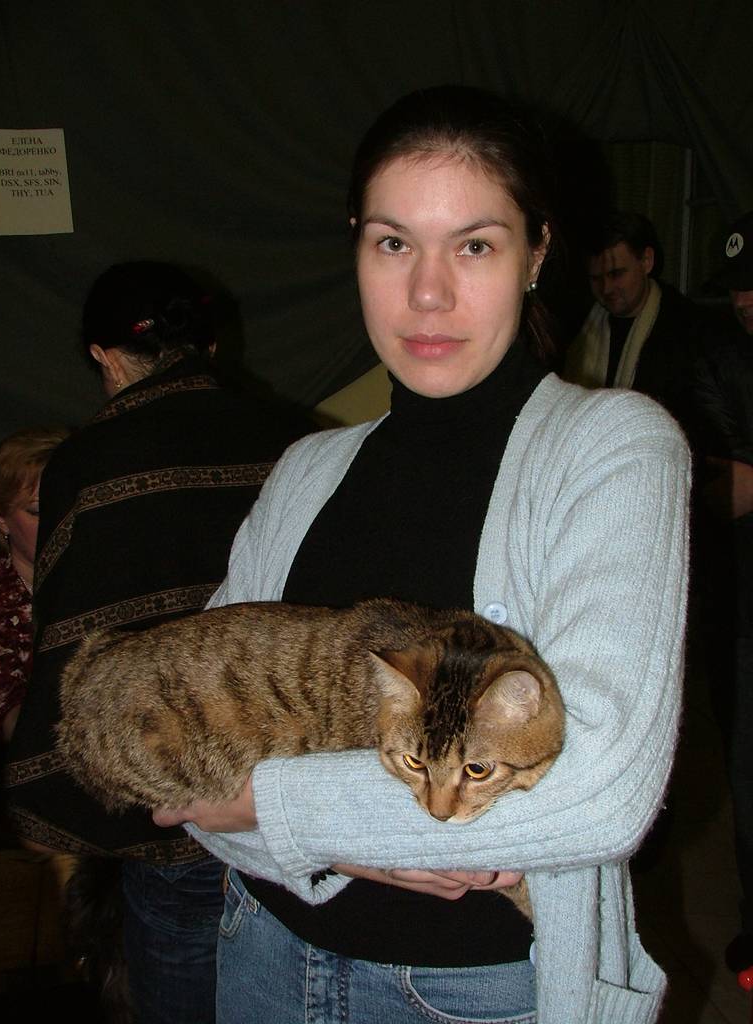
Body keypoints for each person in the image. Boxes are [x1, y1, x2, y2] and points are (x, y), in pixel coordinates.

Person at [153, 88, 690, 1024]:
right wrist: (304, 828)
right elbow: (189, 767)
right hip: (259, 944)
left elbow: (603, 789)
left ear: (537, 254)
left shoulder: (614, 447)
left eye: (474, 246)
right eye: (393, 243)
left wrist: (272, 807)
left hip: (471, 992)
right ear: (356, 249)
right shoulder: (306, 469)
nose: (427, 293)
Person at [3, 261, 311, 1024]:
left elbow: (74, 638)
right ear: (211, 346)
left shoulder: (88, 460)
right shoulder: (298, 439)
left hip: (177, 807)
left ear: (105, 358)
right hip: (296, 799)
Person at [689, 210, 753, 974]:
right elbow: (717, 484)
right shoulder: (718, 358)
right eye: (736, 288)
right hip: (743, 611)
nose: (744, 300)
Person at [563, 210, 703, 432]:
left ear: (647, 261)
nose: (606, 288)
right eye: (596, 278)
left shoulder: (687, 331)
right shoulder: (575, 328)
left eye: (616, 274)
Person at [0, 426, 68, 753]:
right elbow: (3, 703)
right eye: (36, 511)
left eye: (65, 504)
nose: (56, 520)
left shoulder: (98, 572)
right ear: (0, 519)